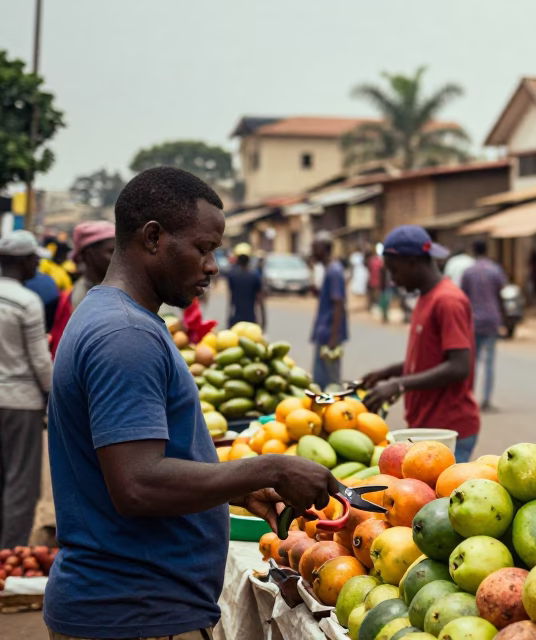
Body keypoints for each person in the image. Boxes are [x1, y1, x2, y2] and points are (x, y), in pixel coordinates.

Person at [44, 167, 335, 639]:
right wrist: (272, 469)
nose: (213, 265)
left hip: (134, 607)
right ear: (154, 238)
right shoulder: (126, 335)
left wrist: (233, 489)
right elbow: (136, 485)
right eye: (203, 248)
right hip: (132, 612)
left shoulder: (115, 317)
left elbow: (137, 466)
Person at [361, 226, 480, 461]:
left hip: (446, 430)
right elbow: (429, 359)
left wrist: (399, 384)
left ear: (413, 262)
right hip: (426, 426)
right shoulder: (426, 296)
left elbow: (459, 366)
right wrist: (387, 373)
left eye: (394, 271)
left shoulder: (448, 300)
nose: (393, 280)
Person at [0, 231, 55, 550]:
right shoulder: (26, 301)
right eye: (34, 258)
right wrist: (53, 395)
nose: (38, 263)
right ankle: (8, 558)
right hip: (20, 404)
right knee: (20, 484)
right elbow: (39, 359)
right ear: (21, 262)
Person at [50, 221, 116, 357]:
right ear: (89, 255)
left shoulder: (112, 291)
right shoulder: (81, 299)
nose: (118, 258)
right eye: (112, 252)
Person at [460, 240, 506, 412]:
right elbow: (500, 295)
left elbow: (463, 298)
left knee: (473, 362)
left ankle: (469, 398)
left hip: (473, 321)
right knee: (489, 362)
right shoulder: (495, 270)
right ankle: (486, 400)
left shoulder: (468, 272)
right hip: (492, 319)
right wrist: (504, 319)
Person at [311, 232, 347, 389]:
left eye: (315, 248)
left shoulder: (334, 271)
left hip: (329, 332)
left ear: (324, 249)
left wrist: (334, 336)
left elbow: (338, 303)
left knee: (329, 378)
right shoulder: (329, 269)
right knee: (321, 375)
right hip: (324, 330)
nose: (312, 252)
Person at [226, 242, 267, 330]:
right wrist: (263, 324)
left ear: (237, 258)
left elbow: (231, 300)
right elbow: (260, 301)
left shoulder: (232, 275)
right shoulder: (255, 275)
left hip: (235, 320)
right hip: (251, 320)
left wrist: (228, 320)